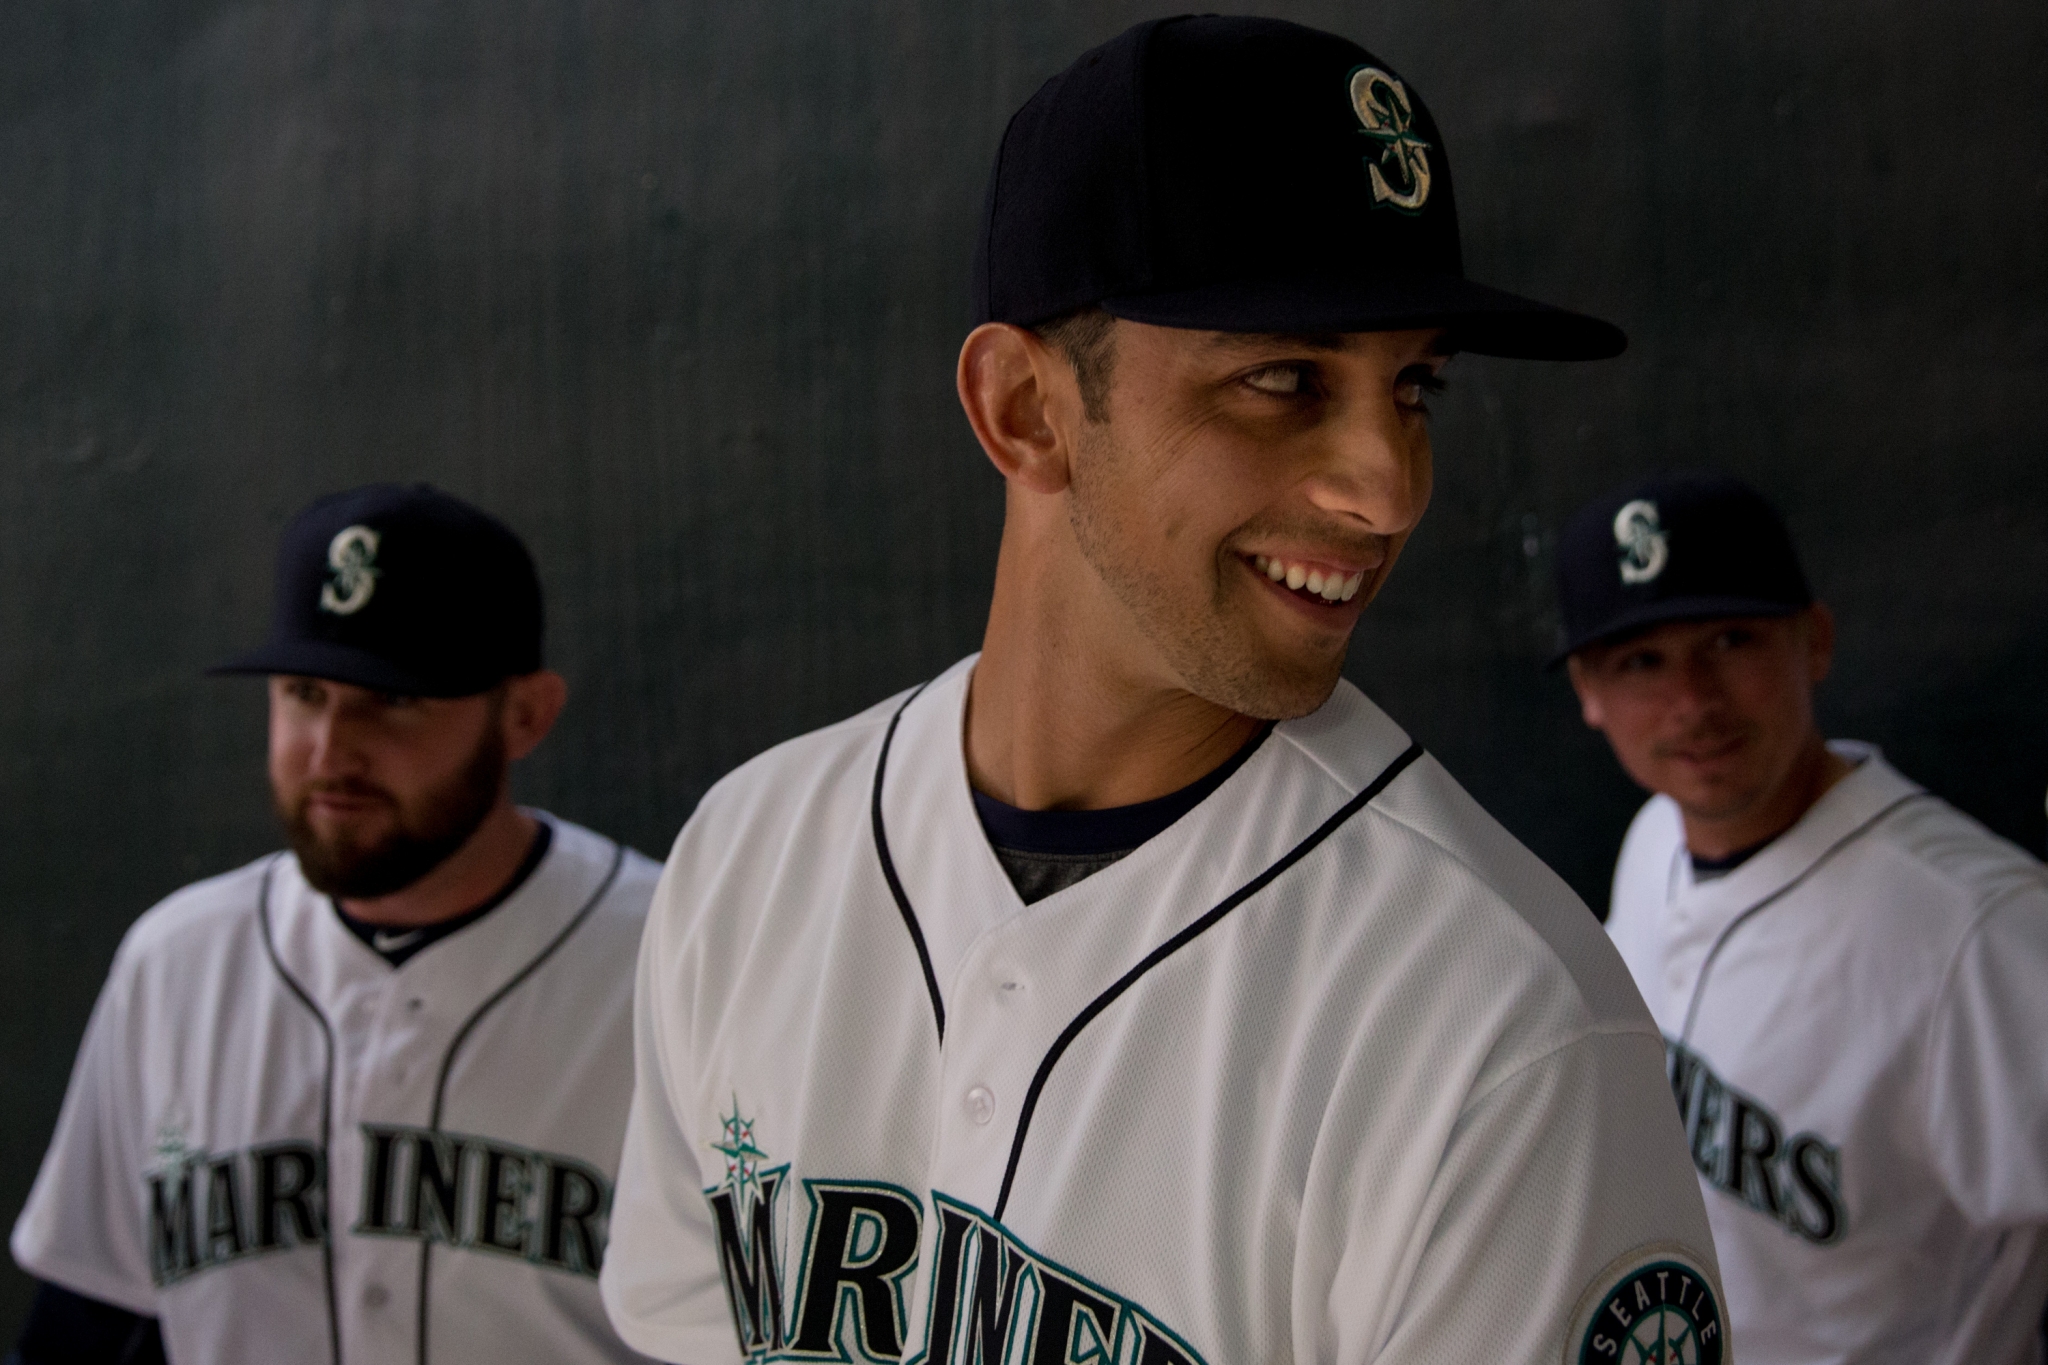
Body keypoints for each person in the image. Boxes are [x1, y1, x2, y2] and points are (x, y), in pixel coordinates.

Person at [600, 18, 1722, 1365]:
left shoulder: (1499, 1017)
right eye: (1284, 380)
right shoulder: (747, 858)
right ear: (1024, 408)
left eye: (1412, 386)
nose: (1387, 484)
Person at [9, 484, 663, 1365]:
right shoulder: (178, 961)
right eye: (305, 691)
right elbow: (91, 1325)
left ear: (525, 714)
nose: (330, 750)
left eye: (392, 701)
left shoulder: (667, 957)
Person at [1558, 470, 2048, 1364]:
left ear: (1813, 640)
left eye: (1731, 639)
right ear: (1589, 691)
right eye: (1642, 661)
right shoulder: (1655, 835)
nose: (1693, 700)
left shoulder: (1980, 931)